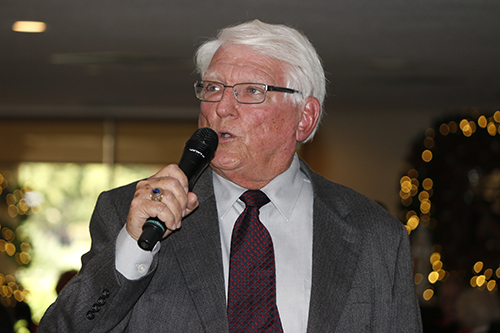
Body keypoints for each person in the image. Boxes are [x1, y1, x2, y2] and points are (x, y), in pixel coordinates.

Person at [37, 20, 422, 332]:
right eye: (213, 87)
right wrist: (134, 248)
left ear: (304, 118)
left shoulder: (375, 234)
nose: (221, 107)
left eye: (251, 91)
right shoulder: (130, 213)